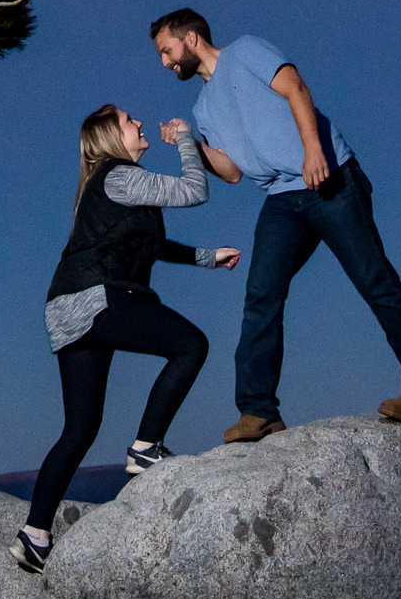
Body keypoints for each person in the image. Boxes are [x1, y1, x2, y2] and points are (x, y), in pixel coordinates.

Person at [149, 7, 401, 444]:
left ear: (191, 38)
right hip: (280, 198)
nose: (165, 62)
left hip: (329, 177)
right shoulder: (202, 107)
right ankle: (258, 412)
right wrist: (190, 144)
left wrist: (313, 150)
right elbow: (232, 171)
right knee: (260, 296)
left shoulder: (246, 50)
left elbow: (295, 88)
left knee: (374, 279)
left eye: (166, 50)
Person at [15, 104, 241, 574]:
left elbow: (150, 246)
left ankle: (34, 536)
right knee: (190, 344)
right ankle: (146, 446)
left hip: (68, 306)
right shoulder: (118, 175)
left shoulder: (111, 186)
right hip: (98, 297)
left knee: (79, 429)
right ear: (112, 139)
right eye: (129, 121)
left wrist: (206, 258)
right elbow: (195, 190)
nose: (139, 124)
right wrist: (183, 137)